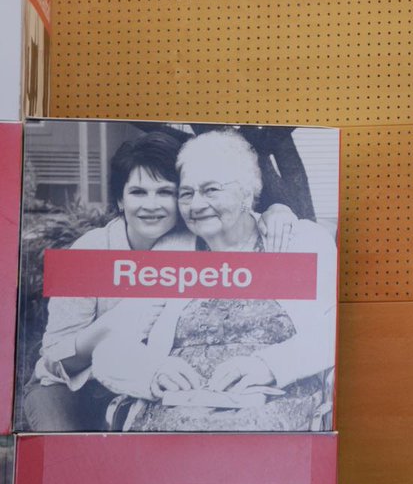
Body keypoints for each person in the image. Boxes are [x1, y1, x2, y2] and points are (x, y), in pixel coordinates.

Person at [92, 129, 337, 432]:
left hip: (272, 411)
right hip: (177, 414)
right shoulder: (173, 251)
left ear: (246, 193)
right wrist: (152, 372)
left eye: (211, 190)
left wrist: (271, 365)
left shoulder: (301, 241)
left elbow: (334, 332)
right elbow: (110, 349)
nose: (196, 205)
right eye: (187, 193)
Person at [22, 131, 197, 431]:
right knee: (65, 457)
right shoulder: (89, 250)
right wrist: (109, 331)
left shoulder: (191, 243)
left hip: (144, 383)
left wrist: (278, 211)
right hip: (69, 387)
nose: (151, 205)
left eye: (165, 192)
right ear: (120, 198)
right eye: (138, 192)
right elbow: (55, 359)